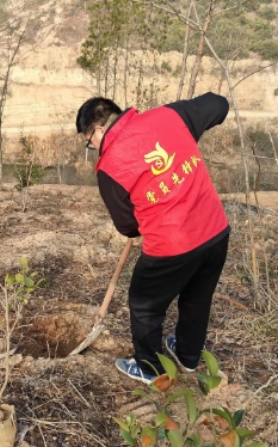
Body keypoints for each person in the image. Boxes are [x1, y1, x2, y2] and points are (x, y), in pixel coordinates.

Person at [75, 93, 231, 384]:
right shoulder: (170, 116)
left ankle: (149, 369)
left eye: (89, 142)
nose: (93, 148)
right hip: (215, 231)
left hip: (172, 246)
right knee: (197, 297)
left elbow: (128, 227)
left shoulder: (109, 167)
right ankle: (187, 357)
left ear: (98, 129)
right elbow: (219, 105)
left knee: (144, 304)